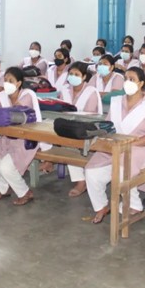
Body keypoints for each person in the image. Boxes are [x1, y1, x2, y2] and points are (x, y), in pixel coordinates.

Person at [83, 67, 145, 224]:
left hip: (142, 148)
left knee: (122, 168)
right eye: (126, 78)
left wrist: (129, 145)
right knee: (91, 171)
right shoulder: (116, 102)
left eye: (132, 79)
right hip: (117, 146)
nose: (128, 82)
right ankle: (101, 206)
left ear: (141, 83)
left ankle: (134, 204)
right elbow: (108, 126)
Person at [0, 67, 43, 206]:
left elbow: (14, 113)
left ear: (19, 83)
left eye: (11, 81)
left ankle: (25, 193)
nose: (7, 83)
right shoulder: (2, 95)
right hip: (7, 139)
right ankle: (4, 188)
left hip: (26, 140)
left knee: (6, 167)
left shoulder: (27, 95)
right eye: (5, 80)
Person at [61, 62, 104, 197]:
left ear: (84, 76)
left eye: (77, 74)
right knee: (64, 139)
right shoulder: (65, 90)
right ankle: (80, 178)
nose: (73, 77)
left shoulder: (91, 92)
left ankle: (81, 182)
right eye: (71, 74)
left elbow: (90, 115)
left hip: (88, 129)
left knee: (69, 143)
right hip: (69, 128)